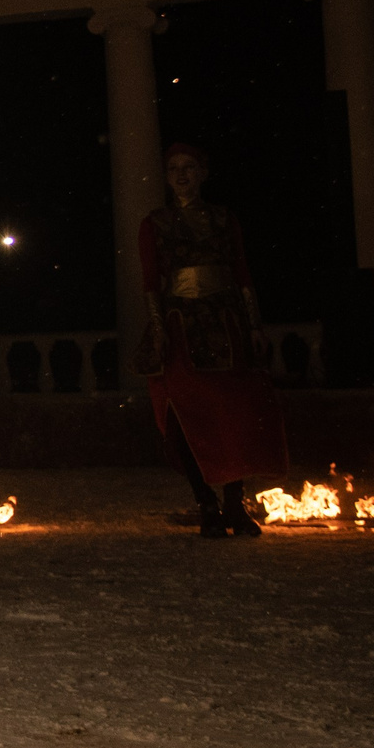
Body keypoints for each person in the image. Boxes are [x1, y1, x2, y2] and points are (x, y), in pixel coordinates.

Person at [135, 143, 288, 537]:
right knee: (186, 416)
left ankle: (235, 504)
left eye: (188, 167)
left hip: (226, 322)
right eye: (173, 169)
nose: (181, 175)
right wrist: (157, 328)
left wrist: (253, 326)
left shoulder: (223, 219)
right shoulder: (155, 224)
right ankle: (206, 503)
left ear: (204, 172)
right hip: (181, 327)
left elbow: (242, 272)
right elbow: (152, 283)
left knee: (236, 416)